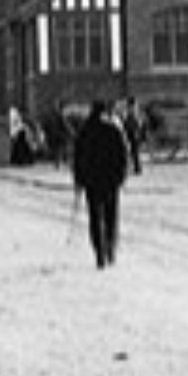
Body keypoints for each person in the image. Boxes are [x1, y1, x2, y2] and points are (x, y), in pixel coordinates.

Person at [73, 100, 131, 269]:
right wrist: (121, 176)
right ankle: (110, 248)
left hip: (92, 181)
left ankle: (99, 251)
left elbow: (78, 157)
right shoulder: (113, 130)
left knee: (95, 217)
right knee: (111, 216)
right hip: (110, 180)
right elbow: (122, 155)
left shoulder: (84, 131)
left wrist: (79, 179)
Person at [122, 97, 145, 175]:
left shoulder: (133, 113)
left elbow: (137, 124)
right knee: (133, 152)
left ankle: (137, 168)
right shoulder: (134, 113)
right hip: (131, 132)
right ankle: (136, 168)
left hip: (132, 132)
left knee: (134, 152)